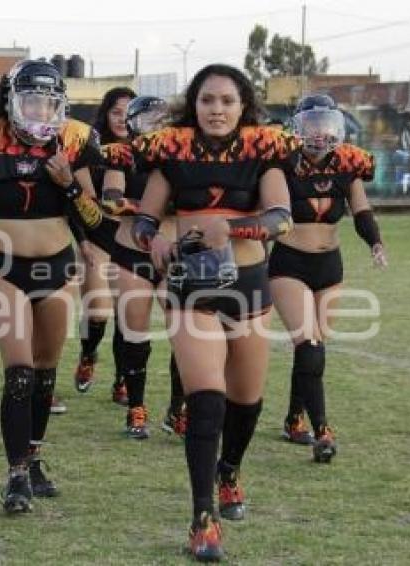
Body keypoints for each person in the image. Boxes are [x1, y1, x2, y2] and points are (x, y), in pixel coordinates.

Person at [133, 64, 296, 561]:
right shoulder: (171, 151)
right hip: (189, 286)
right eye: (207, 100)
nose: (217, 109)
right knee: (207, 398)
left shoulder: (264, 152)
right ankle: (202, 518)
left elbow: (280, 219)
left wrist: (236, 229)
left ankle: (230, 471)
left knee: (246, 402)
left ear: (243, 104)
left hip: (247, 285)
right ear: (194, 104)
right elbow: (144, 219)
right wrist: (156, 239)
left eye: (227, 100)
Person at [0, 59, 100, 513]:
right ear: (10, 101)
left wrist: (69, 187)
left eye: (48, 101)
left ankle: (33, 458)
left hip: (56, 267)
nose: (39, 110)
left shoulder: (76, 140)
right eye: (29, 99)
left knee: (46, 372)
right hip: (2, 267)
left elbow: (97, 219)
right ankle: (14, 475)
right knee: (20, 371)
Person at [270, 94, 387, 461]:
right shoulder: (281, 165)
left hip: (329, 267)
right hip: (289, 262)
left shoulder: (347, 165)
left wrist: (375, 242)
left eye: (325, 125)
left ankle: (293, 419)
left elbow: (362, 210)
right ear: (298, 128)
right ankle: (322, 430)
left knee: (314, 350)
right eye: (312, 125)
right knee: (310, 346)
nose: (319, 133)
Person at [96, 95, 184, 439]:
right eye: (147, 120)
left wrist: (149, 208)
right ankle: (136, 406)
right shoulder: (123, 155)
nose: (154, 127)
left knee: (184, 332)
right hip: (131, 252)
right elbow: (111, 202)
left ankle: (178, 408)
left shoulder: (181, 156)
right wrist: (154, 207)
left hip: (176, 254)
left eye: (160, 120)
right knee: (135, 332)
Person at [72, 86, 135, 397]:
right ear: (105, 113)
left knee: (128, 315)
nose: (122, 119)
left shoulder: (146, 148)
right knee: (97, 312)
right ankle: (88, 354)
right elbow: (78, 201)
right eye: (116, 112)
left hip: (131, 240)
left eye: (127, 112)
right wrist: (82, 240)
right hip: (96, 235)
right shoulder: (90, 147)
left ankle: (123, 379)